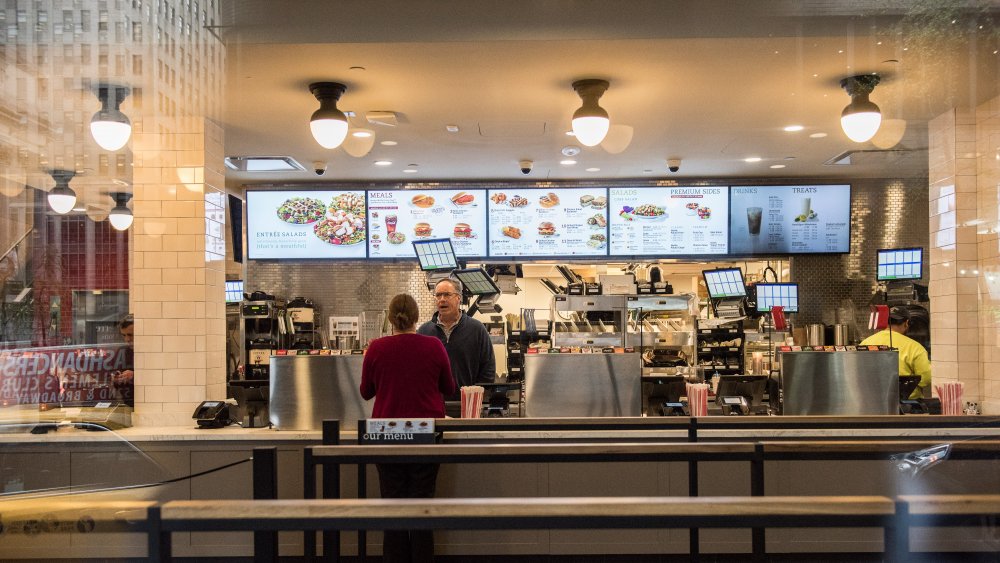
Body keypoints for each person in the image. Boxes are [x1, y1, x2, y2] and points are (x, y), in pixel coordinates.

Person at [360, 294, 455, 563]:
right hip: (424, 431)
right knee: (423, 506)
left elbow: (366, 392)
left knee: (393, 507)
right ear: (416, 319)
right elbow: (449, 387)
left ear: (391, 319)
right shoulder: (434, 346)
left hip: (385, 432)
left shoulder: (377, 348)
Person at [417, 278, 496, 401]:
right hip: (432, 404)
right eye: (438, 295)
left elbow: (488, 368)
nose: (442, 299)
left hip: (467, 405)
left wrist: (476, 396)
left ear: (458, 298)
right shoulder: (424, 332)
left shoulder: (477, 329)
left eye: (447, 294)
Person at [859, 305, 931, 399]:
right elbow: (925, 379)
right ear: (906, 323)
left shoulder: (865, 343)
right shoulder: (914, 347)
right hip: (906, 404)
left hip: (872, 401)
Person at [114, 314, 135, 406]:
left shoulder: (151, 352)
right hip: (127, 403)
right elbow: (111, 374)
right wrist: (115, 378)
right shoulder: (122, 351)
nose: (127, 339)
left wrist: (134, 376)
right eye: (124, 335)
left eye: (130, 335)